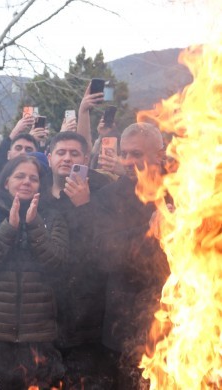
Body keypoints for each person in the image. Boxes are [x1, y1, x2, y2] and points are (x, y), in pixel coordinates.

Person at [0, 155, 68, 389]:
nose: (26, 182)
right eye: (19, 176)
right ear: (6, 182)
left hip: (38, 332)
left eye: (33, 178)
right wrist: (9, 228)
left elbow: (57, 263)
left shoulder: (52, 218)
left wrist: (33, 226)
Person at [91, 123, 170, 389]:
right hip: (125, 323)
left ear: (159, 154)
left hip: (178, 318)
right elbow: (104, 253)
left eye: (136, 154)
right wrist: (149, 229)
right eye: (124, 154)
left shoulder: (183, 191)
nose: (127, 161)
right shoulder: (108, 197)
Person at [44, 131, 114, 387]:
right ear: (49, 157)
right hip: (44, 311)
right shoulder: (37, 190)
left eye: (74, 153)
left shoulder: (101, 191)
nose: (67, 158)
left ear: (85, 158)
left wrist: (84, 205)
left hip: (88, 311)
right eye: (61, 152)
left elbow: (106, 247)